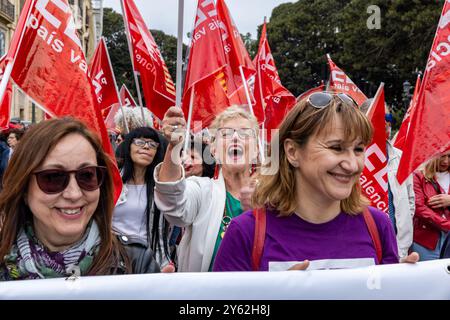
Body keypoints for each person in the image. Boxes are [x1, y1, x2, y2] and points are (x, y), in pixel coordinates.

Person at [213, 92, 418, 271]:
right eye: (336, 148)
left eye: (358, 149)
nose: (352, 165)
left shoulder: (378, 225)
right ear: (292, 152)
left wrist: (400, 286)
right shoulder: (245, 233)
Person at [0, 118, 159, 280]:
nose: (74, 194)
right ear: (24, 188)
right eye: (53, 177)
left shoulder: (137, 262)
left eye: (87, 175)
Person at [154, 105, 259, 272]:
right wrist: (174, 146)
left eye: (245, 133)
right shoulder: (202, 190)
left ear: (256, 150)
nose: (236, 139)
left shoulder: (274, 197)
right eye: (226, 134)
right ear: (214, 150)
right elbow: (171, 203)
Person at [113, 126, 176, 272]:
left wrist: (164, 262)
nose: (146, 147)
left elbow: (160, 232)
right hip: (115, 257)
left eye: (152, 144)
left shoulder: (159, 186)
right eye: (140, 142)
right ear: (129, 146)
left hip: (146, 259)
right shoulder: (113, 181)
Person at [360, 99, 415, 259]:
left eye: (388, 118)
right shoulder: (352, 157)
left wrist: (403, 234)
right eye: (378, 117)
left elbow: (410, 201)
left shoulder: (400, 157)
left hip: (399, 248)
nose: (385, 123)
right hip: (365, 248)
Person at [411, 152, 450, 261]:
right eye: (442, 156)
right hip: (425, 240)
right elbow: (419, 208)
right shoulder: (418, 176)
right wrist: (446, 225)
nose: (446, 161)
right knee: (427, 275)